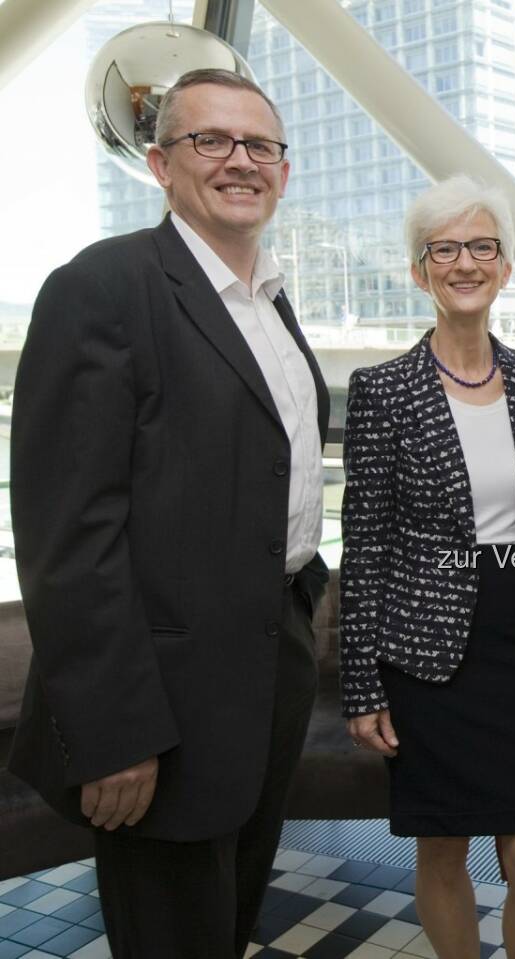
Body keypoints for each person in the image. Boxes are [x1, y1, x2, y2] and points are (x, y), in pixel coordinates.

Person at [6, 69, 328, 955]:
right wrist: (114, 735)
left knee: (228, 919)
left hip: (271, 660)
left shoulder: (270, 301)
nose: (240, 161)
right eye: (210, 141)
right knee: (170, 935)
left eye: (260, 145)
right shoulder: (102, 288)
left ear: (284, 171)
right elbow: (69, 539)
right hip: (161, 704)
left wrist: (303, 601)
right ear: (159, 163)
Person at [339, 175, 515, 959]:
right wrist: (362, 683)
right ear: (420, 269)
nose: (464, 262)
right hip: (426, 649)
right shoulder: (383, 390)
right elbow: (363, 542)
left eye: (482, 246)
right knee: (442, 846)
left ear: (505, 268)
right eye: (445, 248)